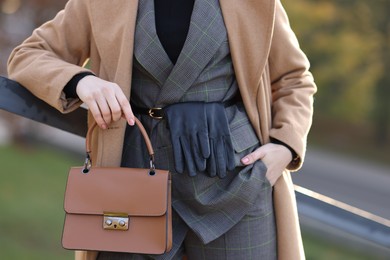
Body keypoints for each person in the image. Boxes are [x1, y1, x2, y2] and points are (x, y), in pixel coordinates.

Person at [8, 0, 316, 259]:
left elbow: (294, 78)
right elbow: (28, 56)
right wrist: (81, 82)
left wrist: (284, 146)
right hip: (131, 179)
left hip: (236, 180)